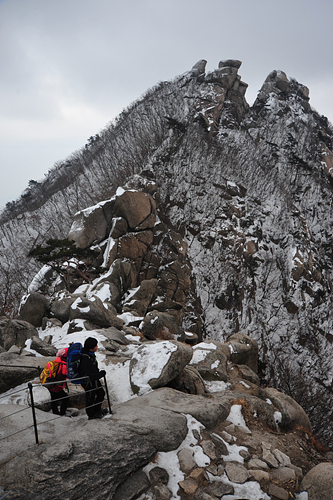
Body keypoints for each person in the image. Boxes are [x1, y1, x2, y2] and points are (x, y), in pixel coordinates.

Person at [79, 337, 108, 420]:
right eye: (95, 346)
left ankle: (97, 410)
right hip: (88, 381)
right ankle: (91, 415)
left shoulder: (88, 354)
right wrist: (102, 373)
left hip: (92, 380)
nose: (97, 347)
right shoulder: (85, 358)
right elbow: (93, 374)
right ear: (91, 348)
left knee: (100, 393)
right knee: (90, 397)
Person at [47, 348, 69, 416]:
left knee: (54, 399)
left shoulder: (55, 361)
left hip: (50, 384)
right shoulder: (63, 365)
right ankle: (62, 413)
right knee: (65, 398)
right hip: (57, 386)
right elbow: (67, 375)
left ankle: (55, 412)